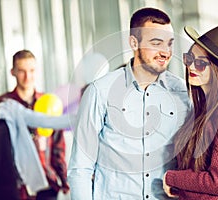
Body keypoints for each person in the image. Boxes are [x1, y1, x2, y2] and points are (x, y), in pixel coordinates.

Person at [68, 7, 191, 199]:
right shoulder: (100, 91)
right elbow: (80, 168)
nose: (165, 52)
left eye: (169, 44)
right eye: (156, 43)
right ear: (134, 42)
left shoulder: (183, 94)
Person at [162, 25, 218, 199]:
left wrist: (171, 178)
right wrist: (180, 188)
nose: (191, 67)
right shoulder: (204, 109)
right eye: (189, 58)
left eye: (201, 63)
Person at [0, 50, 69, 200]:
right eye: (22, 71)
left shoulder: (49, 102)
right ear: (13, 72)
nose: (27, 77)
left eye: (31, 71)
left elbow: (58, 144)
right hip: (17, 185)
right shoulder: (4, 106)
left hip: (47, 181)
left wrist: (63, 177)